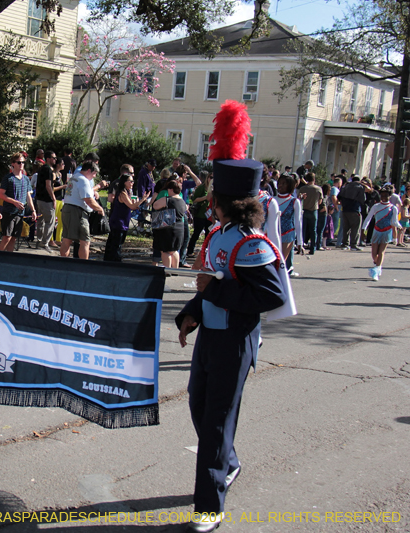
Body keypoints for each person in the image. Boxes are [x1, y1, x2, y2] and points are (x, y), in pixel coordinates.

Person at [177, 101, 291, 530]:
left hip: (236, 340)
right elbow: (211, 282)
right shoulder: (218, 234)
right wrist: (191, 312)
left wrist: (215, 291)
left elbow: (270, 296)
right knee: (198, 405)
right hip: (211, 336)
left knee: (215, 421)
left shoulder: (252, 241)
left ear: (223, 200)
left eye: (213, 192)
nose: (208, 196)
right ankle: (229, 461)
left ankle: (210, 507)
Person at [59, 161, 103, 259]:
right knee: (85, 240)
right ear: (88, 170)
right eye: (94, 173)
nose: (94, 176)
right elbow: (89, 200)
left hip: (68, 209)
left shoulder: (75, 177)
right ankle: (84, 266)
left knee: (67, 238)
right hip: (77, 212)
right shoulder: (83, 180)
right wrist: (100, 209)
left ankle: (63, 263)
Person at [103, 172, 149, 261]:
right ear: (124, 182)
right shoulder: (122, 193)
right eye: (130, 181)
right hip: (118, 222)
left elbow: (132, 205)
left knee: (118, 241)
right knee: (116, 243)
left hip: (123, 221)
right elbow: (131, 206)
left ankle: (111, 259)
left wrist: (137, 203)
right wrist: (143, 199)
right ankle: (114, 260)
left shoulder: (127, 192)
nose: (132, 183)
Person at [361, 186, 401, 281]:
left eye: (386, 195)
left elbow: (394, 221)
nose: (383, 197)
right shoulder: (376, 206)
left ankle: (376, 270)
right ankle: (378, 265)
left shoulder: (393, 208)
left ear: (389, 196)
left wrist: (399, 226)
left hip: (387, 231)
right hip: (376, 231)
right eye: (382, 195)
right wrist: (363, 229)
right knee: (374, 254)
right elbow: (368, 218)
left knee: (381, 251)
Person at [0, 152, 36, 252]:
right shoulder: (8, 178)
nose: (21, 164)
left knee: (14, 238)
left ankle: (9, 259)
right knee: (7, 237)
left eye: (23, 162)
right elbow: (1, 194)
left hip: (20, 213)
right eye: (19, 162)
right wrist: (14, 202)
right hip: (9, 212)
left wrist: (33, 210)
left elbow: (28, 196)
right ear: (13, 163)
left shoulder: (26, 179)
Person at [152, 180, 187, 268]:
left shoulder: (168, 199)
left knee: (165, 251)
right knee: (174, 251)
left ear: (171, 189)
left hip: (168, 228)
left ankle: (167, 271)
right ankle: (175, 270)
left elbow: (155, 205)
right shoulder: (183, 202)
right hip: (180, 228)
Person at [276, 174, 303, 277]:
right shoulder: (272, 199)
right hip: (273, 234)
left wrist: (300, 242)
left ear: (290, 186)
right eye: (279, 183)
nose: (280, 186)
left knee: (281, 261)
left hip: (288, 235)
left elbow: (298, 222)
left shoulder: (295, 202)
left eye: (283, 184)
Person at [34, 150, 58, 251]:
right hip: (46, 199)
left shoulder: (41, 168)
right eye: (53, 158)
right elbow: (48, 186)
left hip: (39, 198)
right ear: (48, 159)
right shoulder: (48, 170)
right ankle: (44, 243)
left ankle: (39, 240)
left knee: (41, 221)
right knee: (50, 222)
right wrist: (53, 198)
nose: (55, 160)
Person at [337, 176, 367, 250]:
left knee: (346, 227)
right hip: (355, 209)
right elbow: (363, 199)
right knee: (355, 228)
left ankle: (344, 244)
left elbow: (339, 197)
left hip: (345, 209)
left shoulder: (345, 186)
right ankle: (353, 244)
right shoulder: (360, 187)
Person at [187, 171, 213, 258]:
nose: (212, 179)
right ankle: (190, 251)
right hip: (200, 215)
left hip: (210, 216)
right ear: (207, 178)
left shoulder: (215, 189)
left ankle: (206, 253)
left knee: (208, 235)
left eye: (214, 178)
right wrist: (206, 197)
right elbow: (194, 200)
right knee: (196, 233)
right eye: (210, 177)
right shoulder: (202, 188)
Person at [298, 173, 322, 255]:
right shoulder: (318, 189)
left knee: (303, 230)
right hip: (314, 210)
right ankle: (313, 248)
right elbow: (320, 201)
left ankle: (301, 247)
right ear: (314, 179)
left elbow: (299, 198)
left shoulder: (303, 188)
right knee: (313, 230)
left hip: (304, 210)